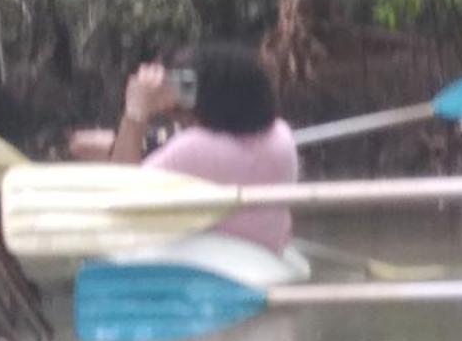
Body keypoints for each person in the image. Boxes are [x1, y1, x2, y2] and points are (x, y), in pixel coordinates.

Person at [68, 43, 300, 253]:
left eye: (187, 86)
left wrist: (136, 111)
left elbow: (122, 192)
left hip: (221, 256)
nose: (178, 91)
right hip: (269, 247)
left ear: (211, 97)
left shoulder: (197, 147)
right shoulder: (280, 133)